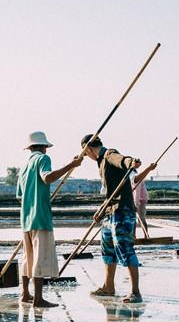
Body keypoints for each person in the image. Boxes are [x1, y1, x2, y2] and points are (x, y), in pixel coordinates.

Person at [81, 134, 157, 303]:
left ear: (89, 149)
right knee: (107, 249)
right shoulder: (100, 162)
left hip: (122, 210)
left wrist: (132, 162)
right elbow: (109, 192)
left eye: (86, 154)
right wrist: (101, 209)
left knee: (124, 247)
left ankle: (135, 292)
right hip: (109, 211)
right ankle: (108, 287)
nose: (87, 157)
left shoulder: (109, 155)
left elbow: (122, 160)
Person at [16, 131, 84, 308]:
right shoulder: (43, 159)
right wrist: (72, 165)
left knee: (27, 257)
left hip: (26, 219)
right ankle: (38, 299)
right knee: (39, 258)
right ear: (44, 147)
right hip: (40, 216)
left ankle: (25, 294)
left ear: (30, 147)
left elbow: (19, 195)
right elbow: (47, 177)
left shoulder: (24, 167)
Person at [131, 170, 150, 239]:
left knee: (141, 218)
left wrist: (136, 205)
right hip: (134, 200)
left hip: (141, 200)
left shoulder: (135, 177)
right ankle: (133, 236)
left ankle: (146, 236)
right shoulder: (129, 178)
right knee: (132, 219)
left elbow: (137, 192)